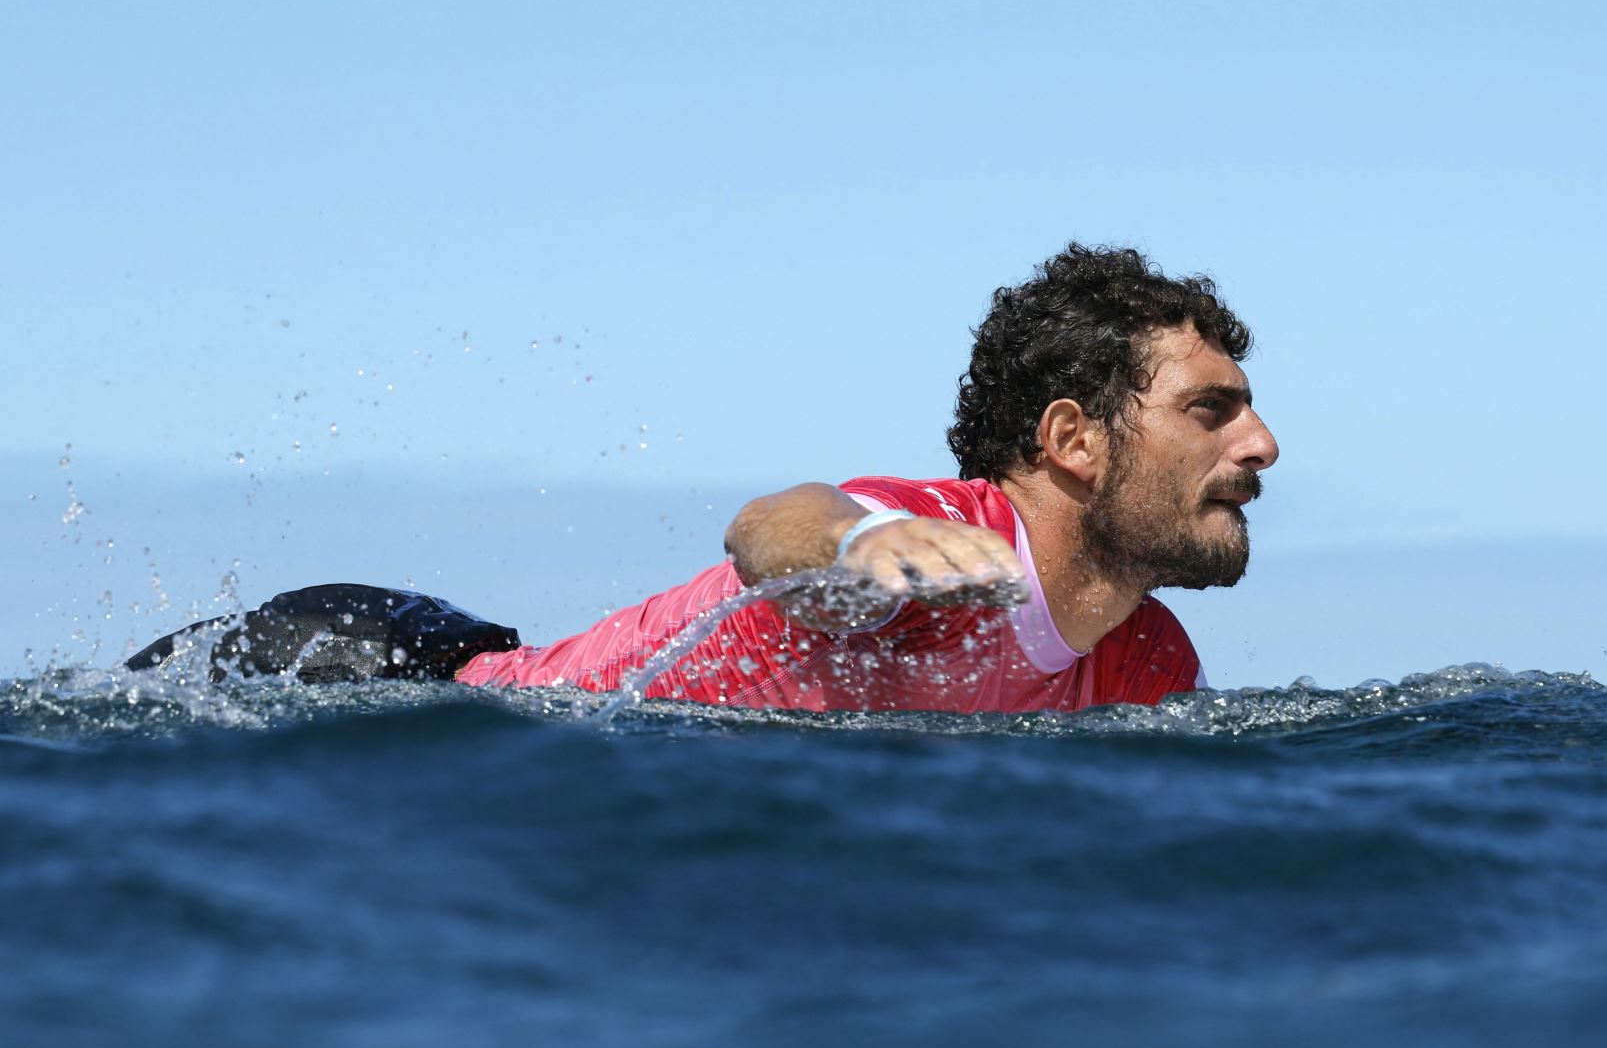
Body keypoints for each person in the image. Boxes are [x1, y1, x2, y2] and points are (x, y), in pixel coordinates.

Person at [128, 243, 1277, 712]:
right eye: (1210, 410)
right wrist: (858, 551)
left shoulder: (1149, 659)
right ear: (1074, 441)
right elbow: (776, 526)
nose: (1261, 444)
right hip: (387, 676)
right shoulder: (937, 537)